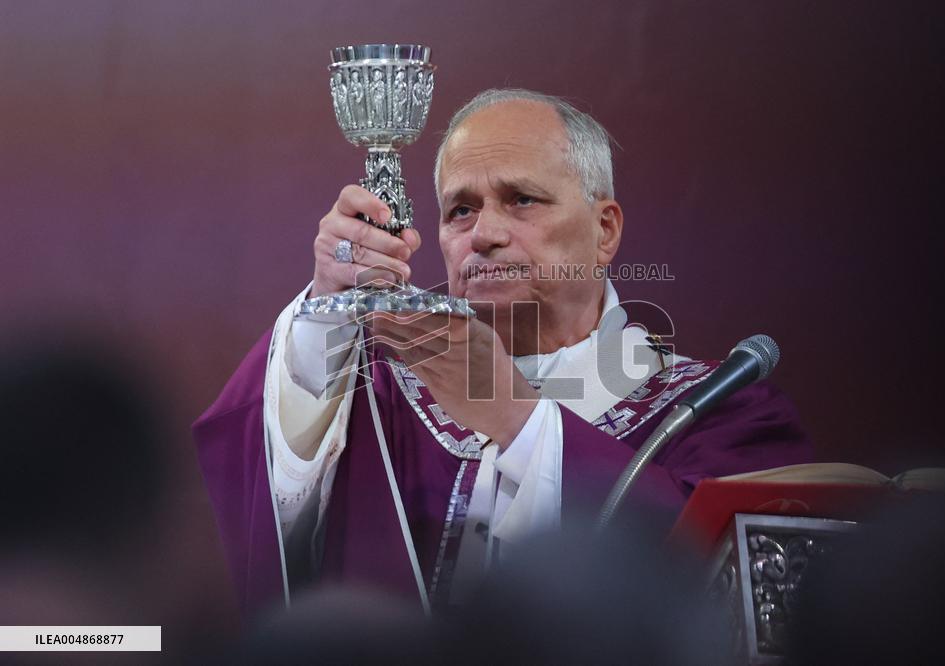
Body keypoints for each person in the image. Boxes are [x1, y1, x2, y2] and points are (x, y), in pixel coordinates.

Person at [193, 89, 812, 619]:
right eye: (460, 209)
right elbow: (262, 495)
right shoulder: (383, 396)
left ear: (605, 231)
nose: (483, 234)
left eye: (522, 200)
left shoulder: (718, 408)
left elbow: (729, 595)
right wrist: (327, 305)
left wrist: (515, 418)